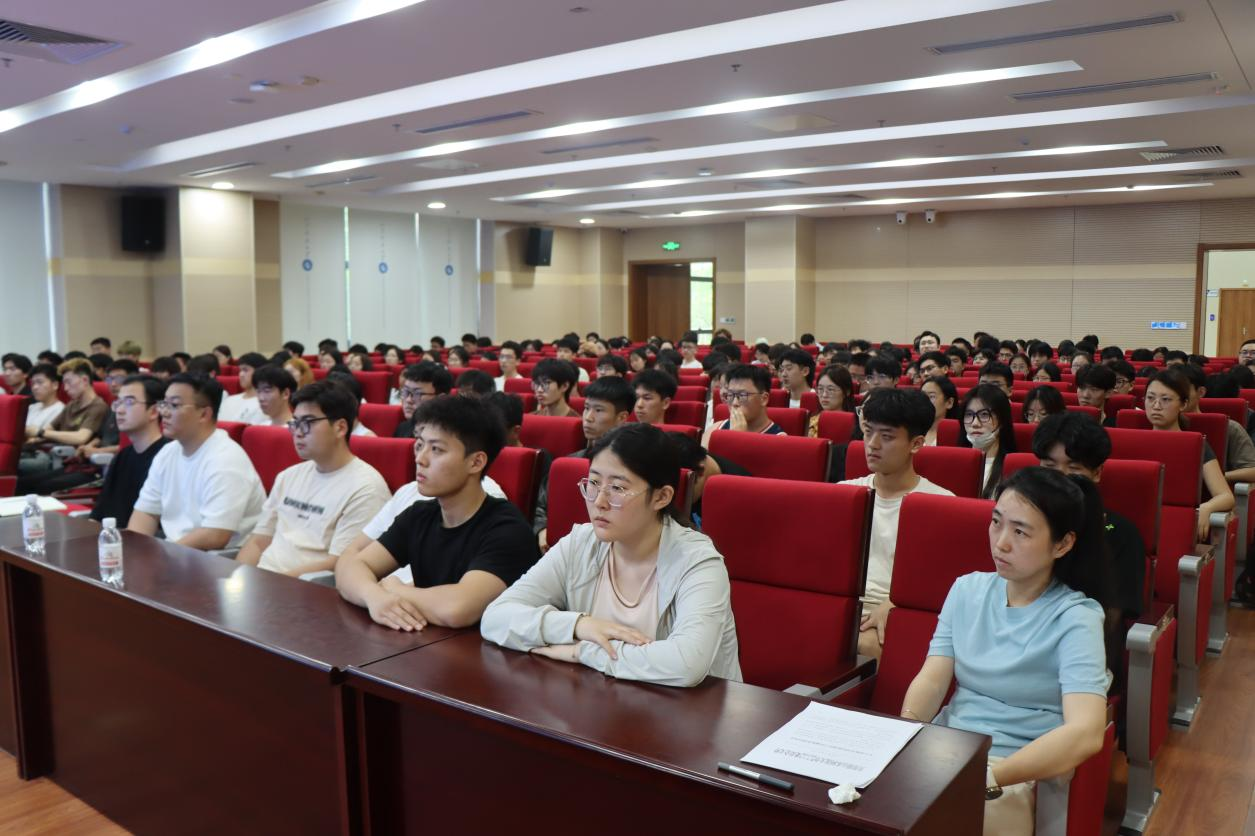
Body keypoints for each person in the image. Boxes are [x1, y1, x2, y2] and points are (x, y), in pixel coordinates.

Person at [900, 467, 1112, 836]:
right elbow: (933, 679)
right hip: (947, 751)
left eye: (1020, 532)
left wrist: (990, 777)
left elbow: (1086, 731)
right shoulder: (966, 590)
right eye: (996, 523)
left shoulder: (1076, 617)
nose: (1001, 543)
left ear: (1062, 544)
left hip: (1017, 769)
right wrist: (904, 733)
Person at [482, 424, 742, 687]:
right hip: (602, 700)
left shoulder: (698, 562)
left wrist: (582, 652)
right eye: (594, 483)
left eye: (617, 488)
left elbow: (686, 664)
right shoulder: (580, 543)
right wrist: (578, 626)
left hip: (690, 708)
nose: (599, 502)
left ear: (661, 497)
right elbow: (495, 617)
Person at [335, 395, 539, 631]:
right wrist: (375, 597)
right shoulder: (419, 515)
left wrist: (395, 589)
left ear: (476, 462)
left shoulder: (508, 530)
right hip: (424, 644)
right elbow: (350, 567)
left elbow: (458, 608)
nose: (420, 459)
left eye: (436, 449)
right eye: (419, 445)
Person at [839, 389, 955, 658]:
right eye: (868, 432)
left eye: (887, 436)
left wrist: (895, 603)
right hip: (842, 604)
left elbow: (937, 581)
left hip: (895, 608)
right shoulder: (843, 493)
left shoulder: (941, 503)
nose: (872, 444)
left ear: (916, 444)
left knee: (863, 645)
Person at [237, 381, 391, 577]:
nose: (298, 432)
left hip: (307, 587)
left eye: (308, 422)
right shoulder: (288, 476)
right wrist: (237, 577)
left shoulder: (366, 488)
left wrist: (270, 585)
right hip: (264, 581)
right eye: (295, 423)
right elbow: (259, 541)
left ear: (340, 428)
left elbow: (338, 563)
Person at [128, 373, 266, 551]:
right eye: (164, 403)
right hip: (177, 550)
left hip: (219, 558)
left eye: (174, 405)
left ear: (204, 414)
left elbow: (215, 535)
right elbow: (146, 512)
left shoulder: (226, 459)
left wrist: (163, 556)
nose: (164, 412)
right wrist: (134, 551)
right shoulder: (168, 452)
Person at [1033, 413, 1146, 621]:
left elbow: (1112, 617)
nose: (1060, 477)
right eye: (1049, 466)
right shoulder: (1024, 523)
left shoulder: (1120, 534)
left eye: (1074, 468)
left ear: (1097, 473)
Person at [1144, 368, 1234, 541]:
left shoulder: (1195, 444)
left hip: (1175, 527)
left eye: (1165, 399)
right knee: (1108, 528)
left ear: (1183, 404)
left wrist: (1206, 508)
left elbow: (1226, 496)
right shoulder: (1131, 440)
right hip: (1131, 522)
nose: (1156, 406)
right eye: (1150, 398)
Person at [90, 375, 171, 528]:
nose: (119, 410)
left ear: (154, 411)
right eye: (118, 403)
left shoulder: (168, 457)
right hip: (112, 538)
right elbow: (99, 513)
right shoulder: (122, 456)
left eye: (129, 402)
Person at [957, 383, 1016, 499]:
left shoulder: (1012, 469)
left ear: (1002, 420)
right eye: (969, 415)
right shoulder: (953, 462)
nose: (975, 423)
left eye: (984, 415)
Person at [701, 364, 783, 446]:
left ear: (764, 399)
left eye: (742, 395)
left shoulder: (779, 440)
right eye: (730, 394)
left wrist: (738, 438)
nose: (734, 403)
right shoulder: (714, 431)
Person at [577, 376, 634, 455]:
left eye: (598, 410)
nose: (588, 418)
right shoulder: (574, 458)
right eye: (587, 408)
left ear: (621, 418)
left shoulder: (629, 459)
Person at [395, 362, 453, 438]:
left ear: (441, 399)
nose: (409, 400)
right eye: (406, 392)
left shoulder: (451, 433)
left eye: (417, 394)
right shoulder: (403, 428)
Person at [217, 352, 268, 424]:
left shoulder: (264, 403)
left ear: (259, 372)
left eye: (245, 370)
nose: (241, 374)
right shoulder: (229, 400)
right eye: (240, 370)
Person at [808, 364, 855, 437]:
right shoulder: (811, 421)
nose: (824, 395)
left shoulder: (855, 424)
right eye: (820, 389)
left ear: (846, 392)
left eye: (830, 389)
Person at [21, 362, 64, 437]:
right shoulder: (32, 407)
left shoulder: (60, 410)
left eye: (40, 382)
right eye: (33, 383)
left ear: (55, 385)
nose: (35, 387)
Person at [920, 375, 959, 446]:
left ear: (949, 402)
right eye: (922, 396)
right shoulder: (911, 430)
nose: (924, 401)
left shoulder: (959, 434)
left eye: (932, 396)